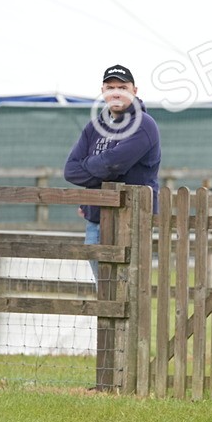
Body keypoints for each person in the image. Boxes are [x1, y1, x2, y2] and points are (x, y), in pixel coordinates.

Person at [64, 65, 161, 274]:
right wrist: (103, 166)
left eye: (122, 87)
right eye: (110, 88)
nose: (116, 93)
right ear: (102, 91)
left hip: (131, 219)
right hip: (95, 220)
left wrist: (93, 165)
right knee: (104, 291)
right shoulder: (94, 127)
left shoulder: (144, 124)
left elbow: (114, 165)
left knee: (128, 288)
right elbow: (70, 170)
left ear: (134, 91)